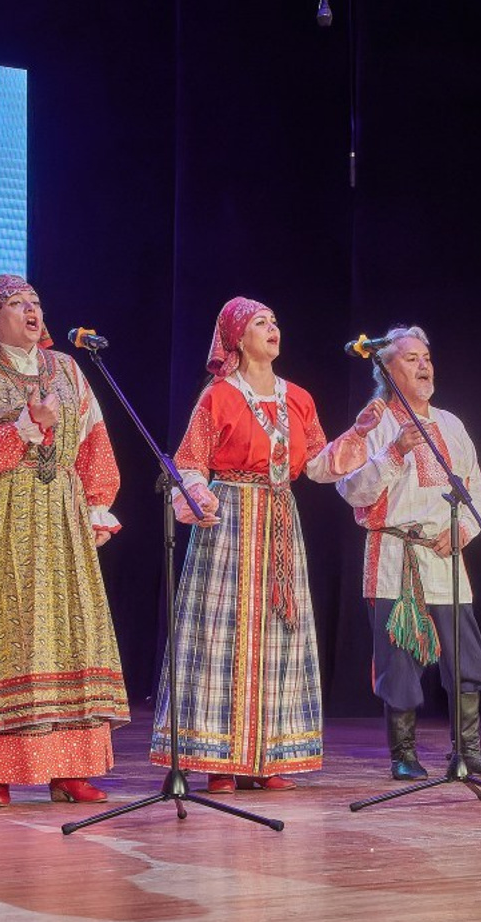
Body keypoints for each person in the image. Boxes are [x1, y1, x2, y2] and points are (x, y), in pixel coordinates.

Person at [149, 296, 375, 792]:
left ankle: (270, 756)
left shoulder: (299, 398)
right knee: (221, 634)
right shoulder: (218, 396)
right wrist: (200, 498)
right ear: (237, 337)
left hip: (278, 518)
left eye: (275, 320)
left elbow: (316, 466)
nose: (273, 328)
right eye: (260, 322)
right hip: (229, 518)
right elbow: (190, 462)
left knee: (279, 632)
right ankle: (219, 759)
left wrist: (355, 436)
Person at [0, 275, 127, 807]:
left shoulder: (70, 370)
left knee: (68, 629)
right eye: (15, 304)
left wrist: (97, 504)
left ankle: (70, 769)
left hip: (60, 515)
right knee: (5, 630)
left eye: (35, 303)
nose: (30, 311)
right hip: (3, 517)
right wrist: (28, 424)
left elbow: (95, 440)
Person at [335, 326, 481, 779]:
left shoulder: (450, 424)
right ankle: (404, 754)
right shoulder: (373, 423)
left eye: (426, 356)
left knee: (466, 656)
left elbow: (476, 486)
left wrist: (465, 530)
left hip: (444, 555)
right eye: (411, 358)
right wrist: (393, 452)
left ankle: (468, 751)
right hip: (394, 554)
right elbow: (351, 490)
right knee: (398, 658)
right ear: (386, 368)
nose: (423, 365)